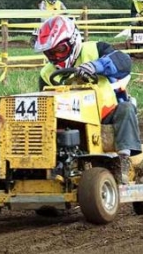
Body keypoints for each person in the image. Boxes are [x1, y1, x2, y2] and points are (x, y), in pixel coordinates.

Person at [34, 15, 141, 184]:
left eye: (60, 50)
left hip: (105, 113)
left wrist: (95, 66)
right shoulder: (46, 73)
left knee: (126, 108)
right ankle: (53, 169)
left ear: (73, 41)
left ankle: (123, 161)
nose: (55, 57)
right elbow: (45, 105)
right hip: (71, 119)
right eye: (50, 53)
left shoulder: (95, 49)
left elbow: (124, 62)